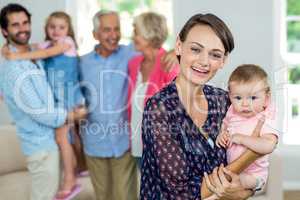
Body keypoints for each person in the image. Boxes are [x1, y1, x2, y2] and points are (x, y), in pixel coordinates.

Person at [140, 13, 265, 199]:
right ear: (179, 46)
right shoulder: (159, 108)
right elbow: (180, 192)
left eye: (215, 55)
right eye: (196, 49)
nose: (204, 61)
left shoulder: (224, 101)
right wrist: (252, 154)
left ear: (224, 60)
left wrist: (247, 190)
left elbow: (266, 135)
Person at [0, 4, 85, 200]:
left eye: (25, 23)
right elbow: (39, 112)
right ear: (5, 31)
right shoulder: (14, 68)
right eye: (15, 25)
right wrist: (70, 116)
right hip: (41, 147)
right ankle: (74, 176)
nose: (22, 28)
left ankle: (77, 171)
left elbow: (41, 52)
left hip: (50, 141)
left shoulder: (31, 56)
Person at [216, 64, 278, 193]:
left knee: (228, 185)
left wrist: (241, 139)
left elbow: (268, 146)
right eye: (238, 98)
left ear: (266, 99)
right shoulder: (232, 111)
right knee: (221, 183)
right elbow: (225, 124)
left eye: (253, 98)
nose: (245, 104)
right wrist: (222, 134)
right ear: (230, 96)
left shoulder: (265, 118)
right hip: (233, 167)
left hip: (254, 175)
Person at [128, 12, 179, 167]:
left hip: (162, 145)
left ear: (149, 34)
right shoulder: (134, 63)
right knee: (146, 188)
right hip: (137, 141)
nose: (132, 36)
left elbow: (178, 108)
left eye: (136, 32)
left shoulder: (169, 63)